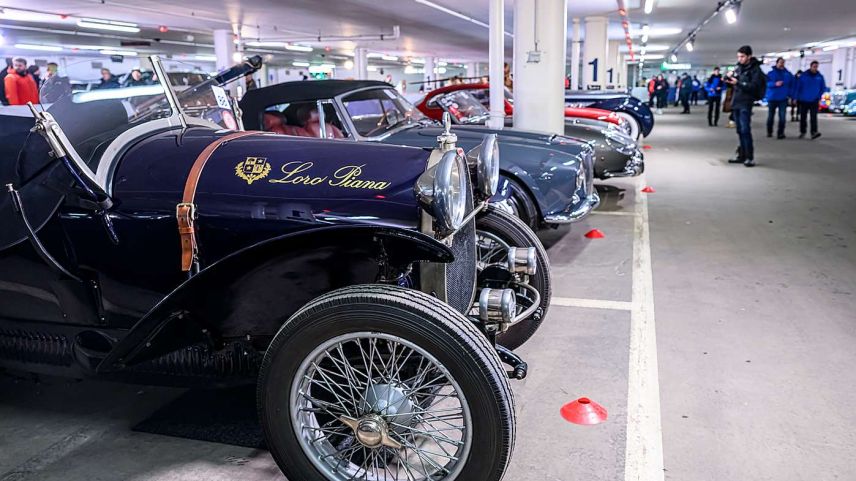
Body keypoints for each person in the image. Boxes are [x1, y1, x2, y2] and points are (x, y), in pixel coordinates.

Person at [724, 45, 765, 167]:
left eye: (742, 56)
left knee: (745, 130)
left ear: (749, 56)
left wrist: (739, 83)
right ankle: (742, 155)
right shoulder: (738, 68)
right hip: (736, 102)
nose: (740, 59)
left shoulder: (755, 70)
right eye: (738, 56)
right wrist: (728, 78)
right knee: (739, 130)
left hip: (746, 103)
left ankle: (749, 157)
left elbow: (753, 87)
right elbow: (731, 84)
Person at [794, 60, 826, 140]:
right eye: (814, 66)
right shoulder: (803, 76)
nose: (815, 68)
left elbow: (823, 88)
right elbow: (798, 87)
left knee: (813, 117)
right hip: (803, 100)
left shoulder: (820, 77)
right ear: (811, 66)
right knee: (803, 117)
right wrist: (795, 97)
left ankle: (814, 132)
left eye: (816, 67)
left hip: (814, 100)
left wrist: (818, 96)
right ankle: (803, 131)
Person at [765, 57, 794, 139]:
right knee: (771, 116)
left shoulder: (788, 74)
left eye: (783, 63)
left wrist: (791, 96)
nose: (782, 64)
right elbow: (766, 84)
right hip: (772, 97)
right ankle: (769, 131)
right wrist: (774, 84)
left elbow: (792, 85)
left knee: (782, 117)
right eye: (780, 62)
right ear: (776, 63)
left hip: (783, 98)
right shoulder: (770, 73)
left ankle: (781, 133)